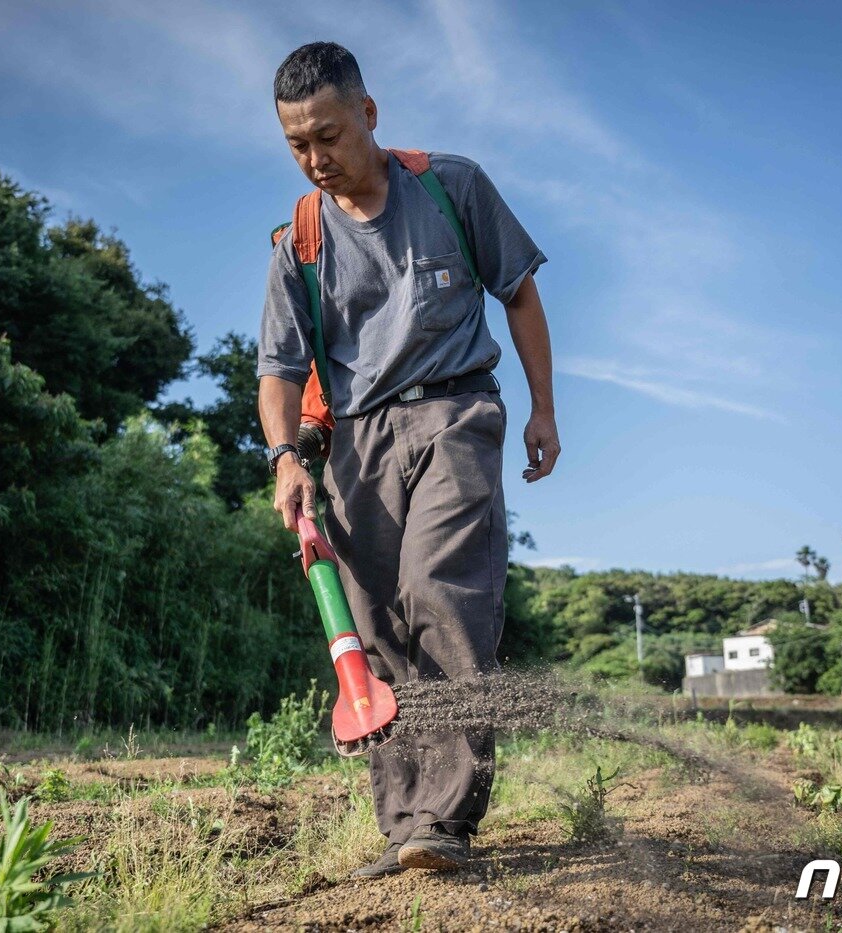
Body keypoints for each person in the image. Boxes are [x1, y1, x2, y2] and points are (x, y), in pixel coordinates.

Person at [256, 41, 560, 879]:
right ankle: (405, 825)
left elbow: (521, 293)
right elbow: (278, 372)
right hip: (353, 443)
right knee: (377, 631)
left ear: (369, 114)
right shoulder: (300, 241)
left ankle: (446, 815)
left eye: (328, 135)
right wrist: (287, 457)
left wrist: (543, 406)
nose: (317, 158)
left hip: (456, 410)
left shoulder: (450, 186)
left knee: (441, 592)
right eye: (297, 145)